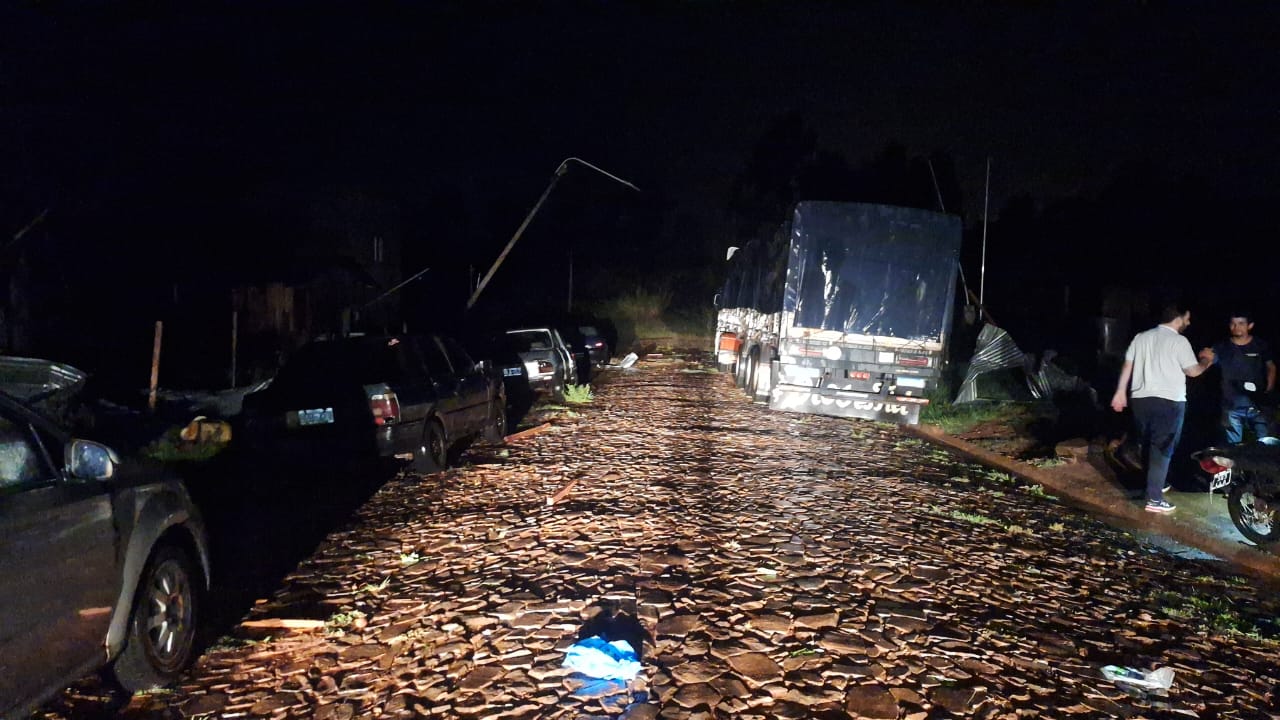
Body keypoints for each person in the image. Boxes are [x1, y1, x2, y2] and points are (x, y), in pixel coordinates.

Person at [1110, 304, 1213, 513]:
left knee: (1148, 443)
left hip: (1140, 400)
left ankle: (1156, 484)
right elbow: (1193, 372)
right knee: (1163, 448)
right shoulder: (1179, 340)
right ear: (1178, 319)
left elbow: (1127, 365)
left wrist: (1120, 392)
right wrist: (1206, 361)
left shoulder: (1141, 337)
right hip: (1169, 402)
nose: (1189, 322)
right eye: (1187, 318)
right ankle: (1155, 499)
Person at [1198, 312, 1275, 444]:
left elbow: (1271, 367)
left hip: (1258, 404)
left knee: (1265, 444)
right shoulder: (1221, 346)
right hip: (1231, 406)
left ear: (1250, 325)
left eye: (1241, 323)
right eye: (1233, 323)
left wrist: (1268, 389)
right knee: (1232, 448)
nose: (1236, 327)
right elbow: (1208, 360)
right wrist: (1203, 358)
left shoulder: (1260, 345)